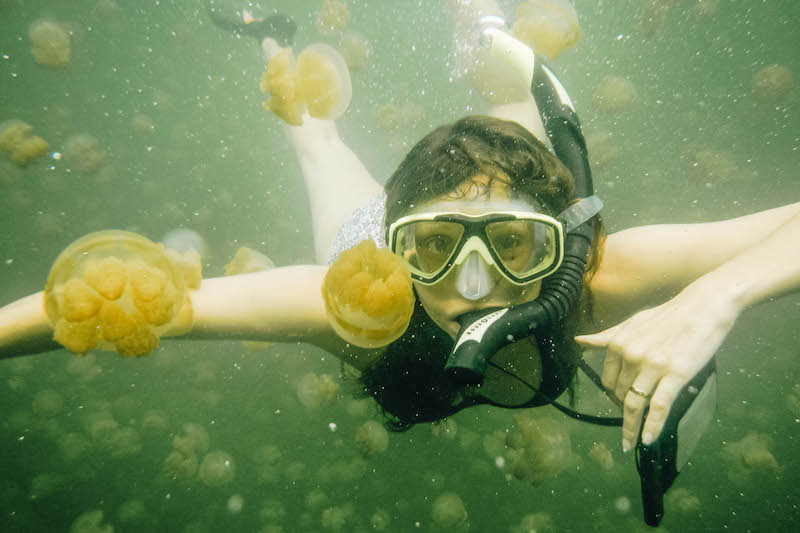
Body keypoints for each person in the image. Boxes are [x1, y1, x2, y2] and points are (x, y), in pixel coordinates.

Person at [1, 0, 799, 463]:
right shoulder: (355, 300)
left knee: (517, 118)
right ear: (400, 241)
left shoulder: (591, 279)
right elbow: (127, 302)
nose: (476, 281)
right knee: (316, 139)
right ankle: (272, 32)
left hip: (449, 222)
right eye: (437, 245)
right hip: (365, 242)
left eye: (513, 246)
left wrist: (719, 295)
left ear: (559, 243)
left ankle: (480, 26)